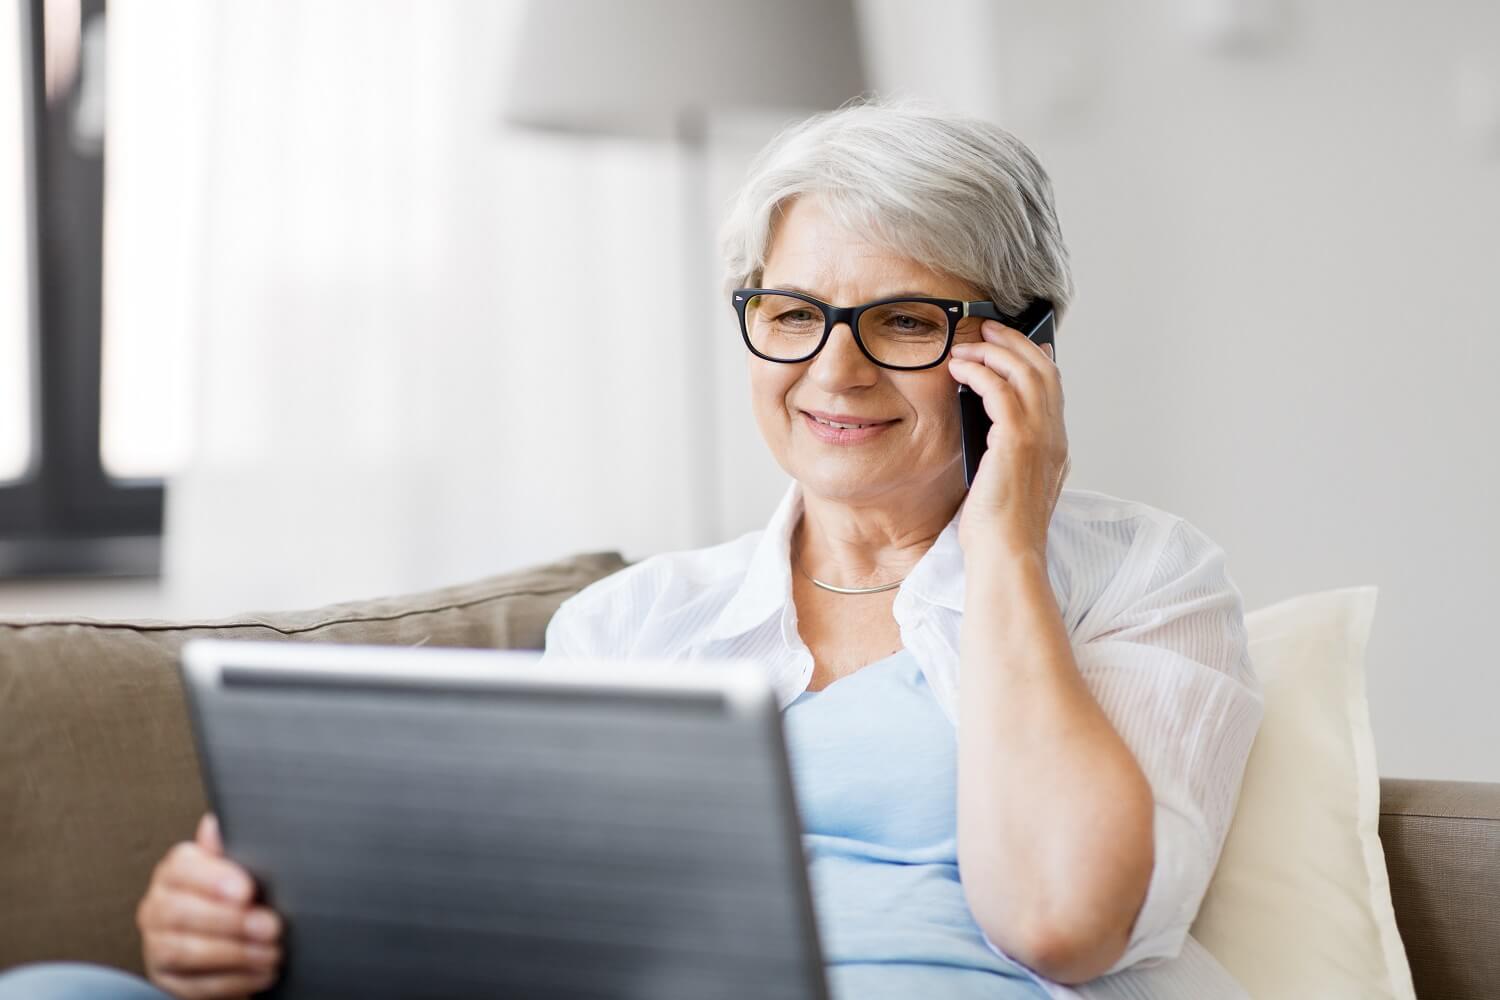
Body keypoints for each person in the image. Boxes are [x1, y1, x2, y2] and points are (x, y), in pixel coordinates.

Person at [0, 97, 1263, 1000]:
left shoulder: (1139, 583)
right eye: (793, 313)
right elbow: (513, 921)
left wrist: (1005, 546)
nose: (833, 368)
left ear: (1019, 348)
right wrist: (237, 924)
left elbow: (1064, 924)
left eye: (905, 321)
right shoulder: (636, 621)